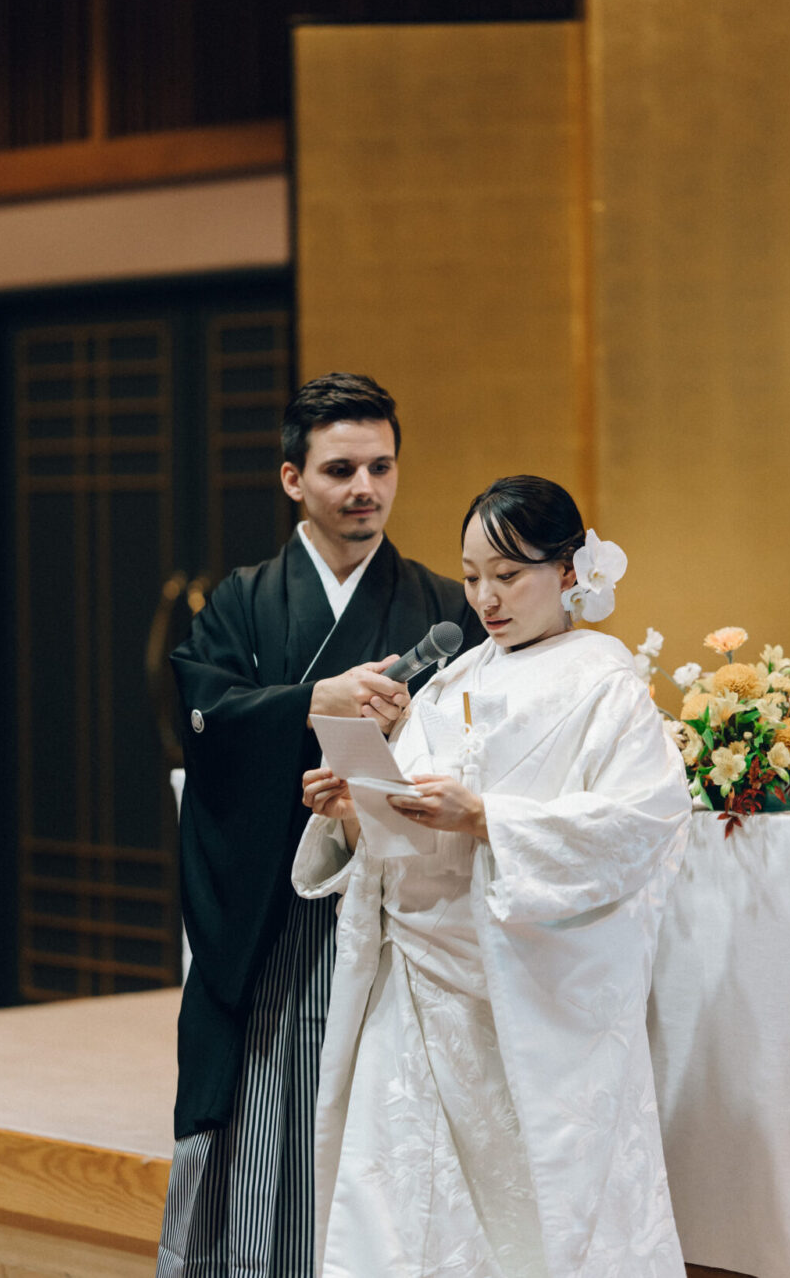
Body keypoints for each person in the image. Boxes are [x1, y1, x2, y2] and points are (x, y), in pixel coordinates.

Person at [294, 475, 691, 1278]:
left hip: (526, 988)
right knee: (401, 1205)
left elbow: (644, 824)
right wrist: (350, 807)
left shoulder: (604, 683)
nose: (484, 597)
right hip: (416, 979)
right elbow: (404, 825)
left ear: (570, 572)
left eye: (507, 576)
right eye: (472, 576)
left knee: (534, 1212)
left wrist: (488, 819)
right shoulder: (455, 676)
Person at [156, 373, 482, 1278]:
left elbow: (477, 746)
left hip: (395, 908)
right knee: (273, 1110)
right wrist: (312, 702)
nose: (364, 488)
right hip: (278, 911)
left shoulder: (438, 606)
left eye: (382, 466)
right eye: (340, 468)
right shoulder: (243, 602)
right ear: (294, 478)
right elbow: (203, 716)